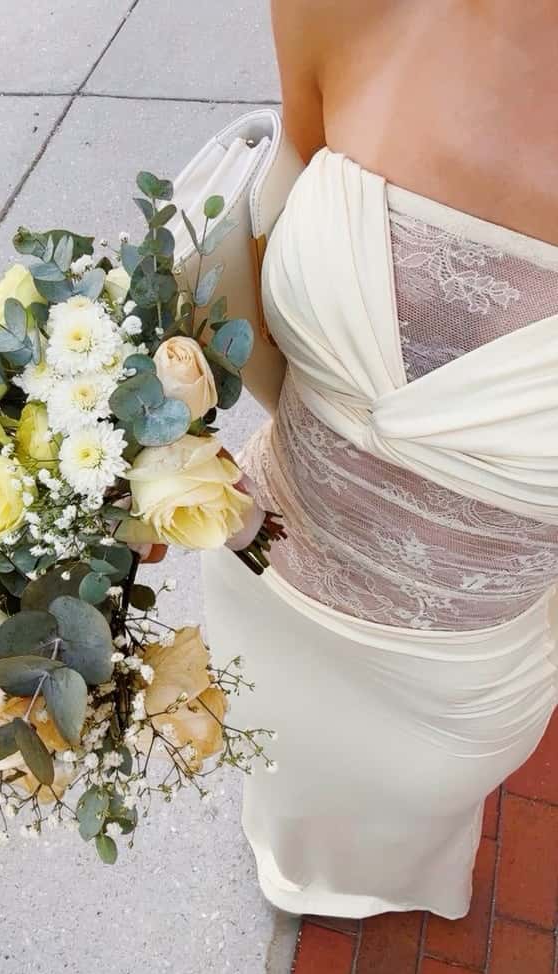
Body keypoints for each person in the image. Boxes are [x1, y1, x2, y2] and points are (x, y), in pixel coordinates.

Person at [201, 0, 558, 918]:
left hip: (455, 680)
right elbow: (265, 252)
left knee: (401, 822)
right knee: (273, 765)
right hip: (260, 575)